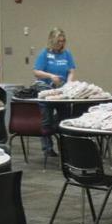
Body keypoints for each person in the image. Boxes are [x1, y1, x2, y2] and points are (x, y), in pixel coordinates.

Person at [33, 27, 75, 157]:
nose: (61, 44)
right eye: (58, 41)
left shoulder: (67, 54)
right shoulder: (44, 54)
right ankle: (48, 149)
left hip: (62, 90)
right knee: (46, 120)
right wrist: (50, 76)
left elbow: (71, 71)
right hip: (47, 90)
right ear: (52, 41)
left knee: (65, 120)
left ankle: (66, 147)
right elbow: (36, 72)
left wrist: (69, 84)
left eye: (63, 41)